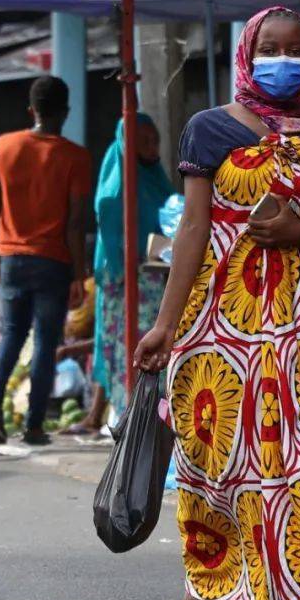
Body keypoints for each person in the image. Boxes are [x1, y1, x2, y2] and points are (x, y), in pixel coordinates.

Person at [134, 6, 300, 600]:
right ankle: (203, 584)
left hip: (291, 319)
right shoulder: (208, 129)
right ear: (248, 53)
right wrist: (164, 325)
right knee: (215, 455)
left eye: (298, 48)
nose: (285, 58)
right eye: (271, 47)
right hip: (216, 323)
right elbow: (194, 228)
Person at [0, 76, 90, 446]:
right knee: (45, 341)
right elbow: (75, 222)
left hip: (10, 255)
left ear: (31, 110)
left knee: (11, 333)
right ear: (66, 113)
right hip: (53, 262)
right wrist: (79, 274)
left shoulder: (3, 146)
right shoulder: (76, 157)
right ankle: (34, 424)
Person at [65, 114, 173, 435]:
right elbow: (108, 210)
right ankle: (113, 414)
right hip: (122, 277)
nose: (153, 148)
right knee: (115, 343)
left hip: (151, 275)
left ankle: (125, 414)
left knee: (141, 344)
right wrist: (123, 262)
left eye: (155, 141)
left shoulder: (154, 176)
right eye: (144, 142)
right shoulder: (119, 176)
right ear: (129, 142)